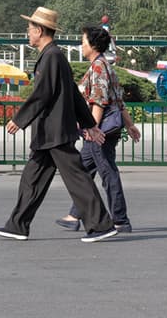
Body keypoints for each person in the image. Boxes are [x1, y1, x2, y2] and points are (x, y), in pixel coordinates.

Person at [0, 6, 118, 243]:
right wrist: (90, 123)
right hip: (48, 133)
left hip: (55, 131)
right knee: (31, 180)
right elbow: (72, 92)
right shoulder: (53, 56)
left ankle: (101, 224)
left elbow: (42, 93)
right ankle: (17, 225)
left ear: (40, 30)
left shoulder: (52, 56)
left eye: (30, 29)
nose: (27, 33)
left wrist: (19, 119)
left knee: (77, 178)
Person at [55, 25, 141, 234]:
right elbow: (118, 100)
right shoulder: (105, 65)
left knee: (107, 172)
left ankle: (120, 219)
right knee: (84, 172)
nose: (81, 46)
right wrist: (129, 124)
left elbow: (100, 101)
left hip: (99, 131)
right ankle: (75, 214)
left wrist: (92, 129)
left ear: (93, 45)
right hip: (102, 129)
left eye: (83, 42)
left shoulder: (99, 67)